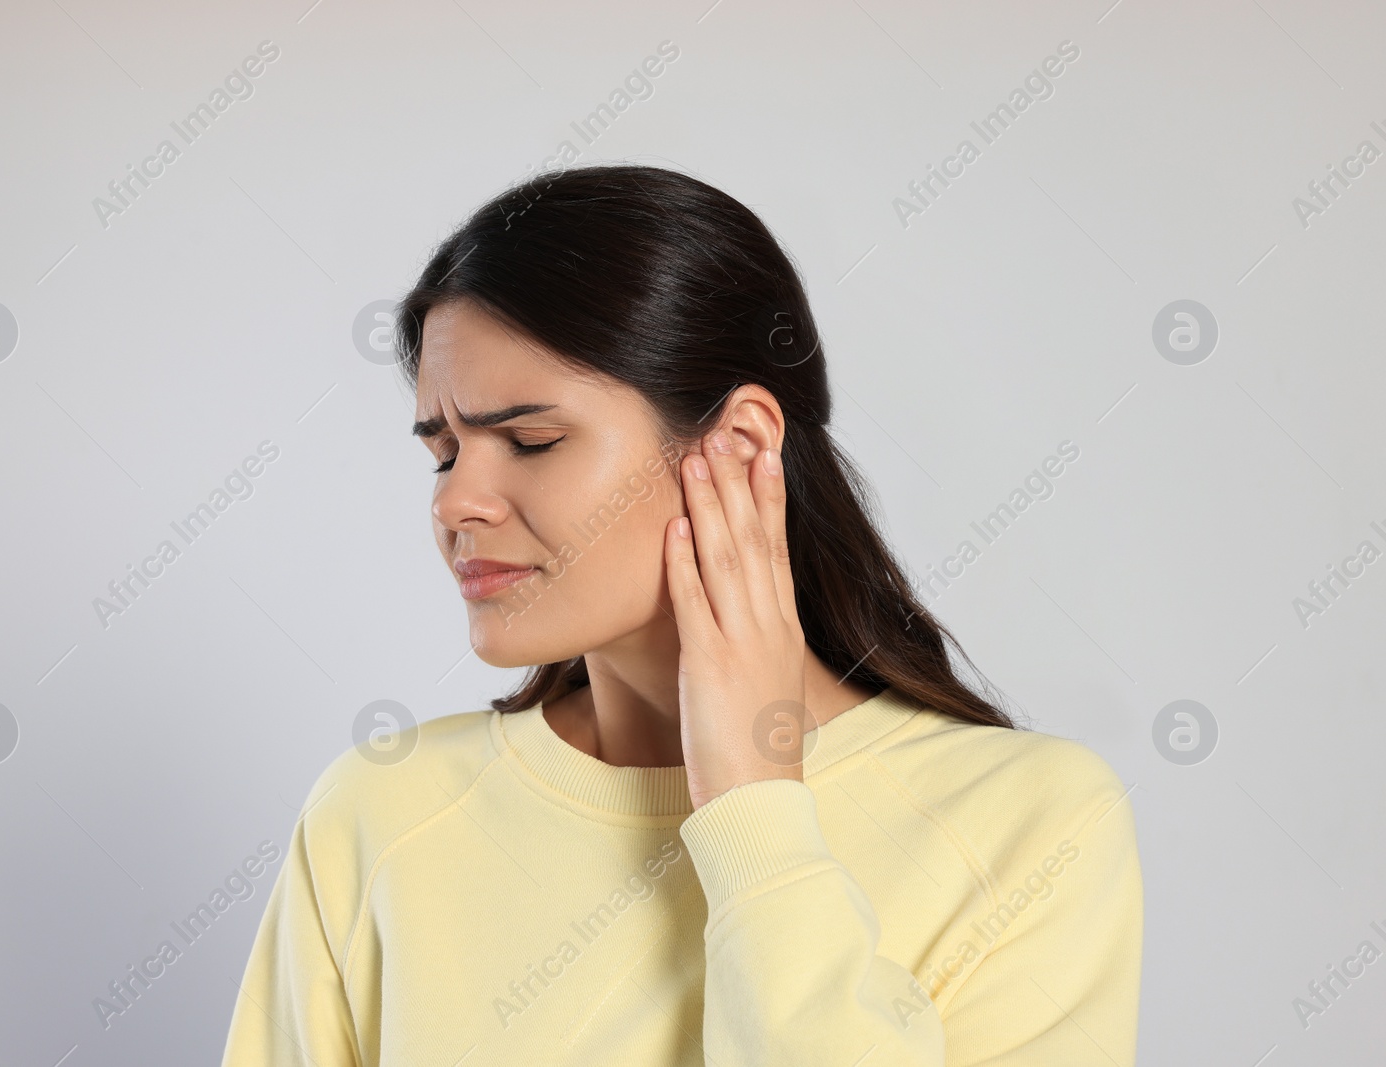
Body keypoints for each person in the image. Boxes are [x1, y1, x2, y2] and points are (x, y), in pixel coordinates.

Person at [219, 163, 1143, 1066]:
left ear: (740, 445)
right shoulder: (379, 813)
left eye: (529, 441)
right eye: (444, 452)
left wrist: (753, 802)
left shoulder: (1031, 822)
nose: (458, 501)